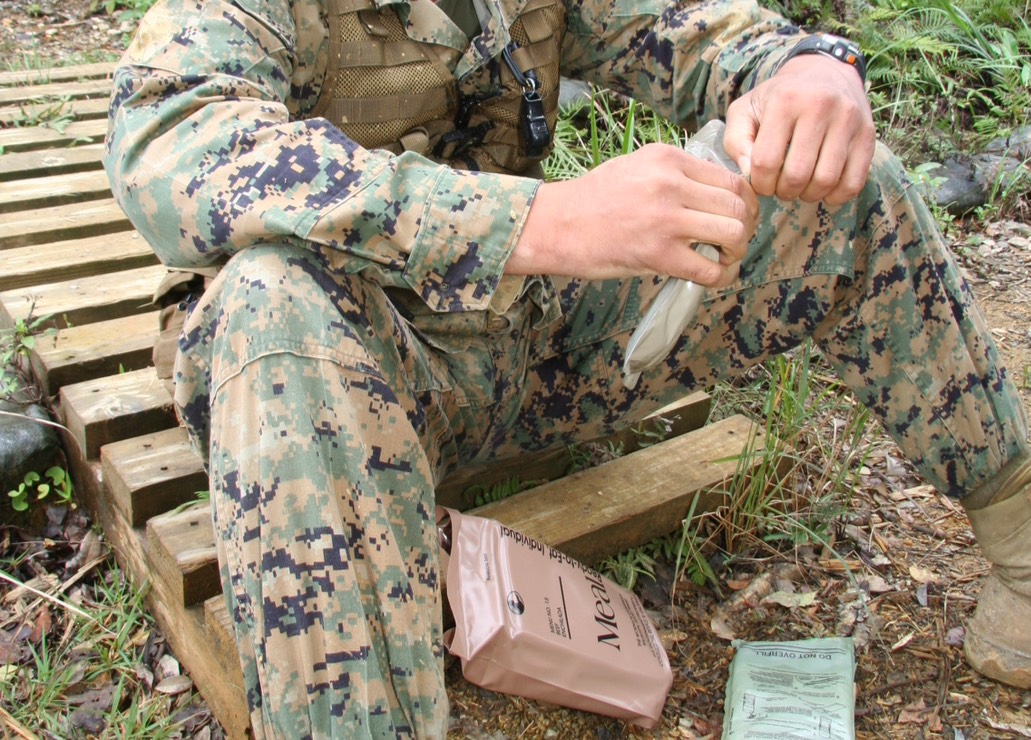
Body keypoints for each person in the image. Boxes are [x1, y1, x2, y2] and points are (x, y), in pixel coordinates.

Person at [104, 0, 1030, 735]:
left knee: (844, 191)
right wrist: (541, 221)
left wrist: (809, 66)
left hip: (526, 346)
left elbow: (694, 28)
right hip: (333, 382)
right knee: (270, 297)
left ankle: (1022, 552)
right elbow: (170, 146)